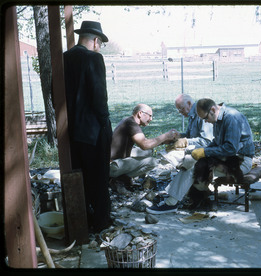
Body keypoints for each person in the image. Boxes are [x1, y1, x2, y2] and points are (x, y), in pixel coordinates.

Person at [63, 21, 112, 233]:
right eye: (99, 43)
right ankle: (101, 222)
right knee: (99, 177)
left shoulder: (64, 58)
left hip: (70, 130)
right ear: (95, 40)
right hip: (92, 130)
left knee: (79, 176)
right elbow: (99, 96)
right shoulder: (94, 58)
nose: (98, 46)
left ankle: (82, 220)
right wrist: (105, 122)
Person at [146, 94, 213, 214]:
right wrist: (180, 136)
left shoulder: (200, 113)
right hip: (200, 149)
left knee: (189, 162)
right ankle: (175, 196)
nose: (180, 112)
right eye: (178, 109)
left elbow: (206, 141)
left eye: (181, 108)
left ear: (189, 104)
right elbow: (190, 135)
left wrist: (185, 141)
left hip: (210, 150)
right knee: (168, 155)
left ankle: (172, 202)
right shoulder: (192, 115)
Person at [109, 104, 179, 193]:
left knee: (149, 151)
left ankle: (120, 179)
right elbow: (144, 144)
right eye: (150, 116)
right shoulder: (131, 124)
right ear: (140, 113)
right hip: (113, 166)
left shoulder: (128, 120)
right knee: (152, 162)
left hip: (113, 160)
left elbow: (146, 145)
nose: (151, 119)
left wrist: (162, 142)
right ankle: (119, 179)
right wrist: (165, 136)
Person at [190, 98, 255, 194]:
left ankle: (174, 201)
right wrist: (204, 150)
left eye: (205, 118)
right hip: (229, 158)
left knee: (193, 169)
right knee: (193, 164)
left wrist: (205, 152)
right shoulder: (218, 117)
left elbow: (230, 149)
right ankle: (199, 193)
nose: (206, 122)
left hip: (241, 161)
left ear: (212, 110)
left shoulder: (231, 117)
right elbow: (217, 142)